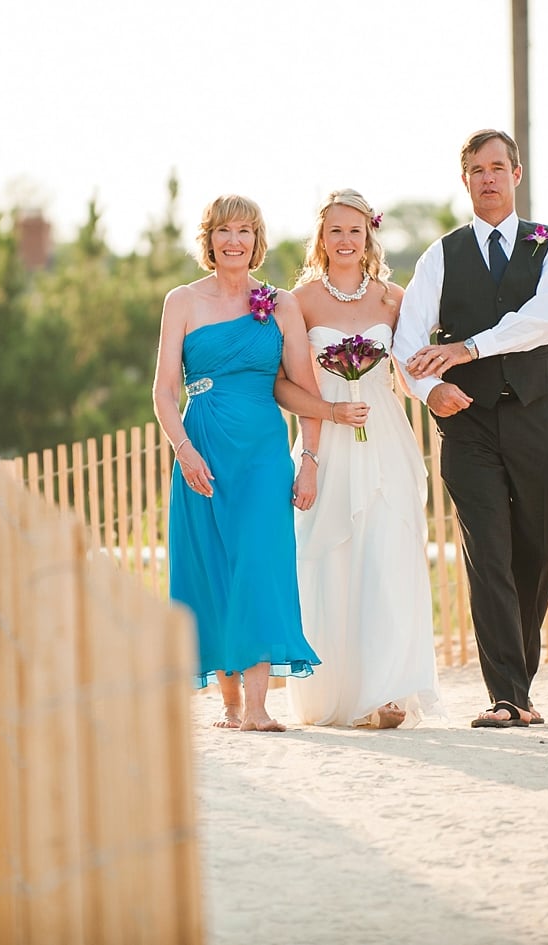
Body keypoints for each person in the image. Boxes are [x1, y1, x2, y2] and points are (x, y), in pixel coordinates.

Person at [393, 129, 548, 729]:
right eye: (476, 169)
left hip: (537, 414)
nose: (488, 178)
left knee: (537, 546)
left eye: (498, 166)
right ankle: (507, 695)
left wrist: (470, 347)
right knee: (487, 554)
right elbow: (406, 342)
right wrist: (431, 389)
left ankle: (519, 679)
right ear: (465, 180)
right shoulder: (441, 255)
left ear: (516, 174)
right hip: (467, 425)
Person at [152, 194, 329, 733]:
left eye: (245, 231)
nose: (235, 241)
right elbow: (162, 393)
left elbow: (304, 388)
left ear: (258, 241)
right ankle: (230, 707)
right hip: (201, 451)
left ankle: (257, 707)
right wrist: (184, 452)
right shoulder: (181, 301)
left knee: (258, 564)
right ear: (209, 240)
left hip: (261, 454)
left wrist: (311, 460)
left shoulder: (280, 304)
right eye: (225, 231)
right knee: (212, 569)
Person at [280, 189, 443, 729]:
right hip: (329, 440)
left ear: (368, 235)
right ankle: (339, 691)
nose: (345, 240)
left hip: (385, 437)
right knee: (333, 558)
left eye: (355, 230)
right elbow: (284, 386)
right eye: (335, 231)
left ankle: (388, 689)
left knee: (387, 555)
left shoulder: (394, 299)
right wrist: (316, 441)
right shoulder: (298, 303)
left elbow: (413, 367)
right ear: (321, 240)